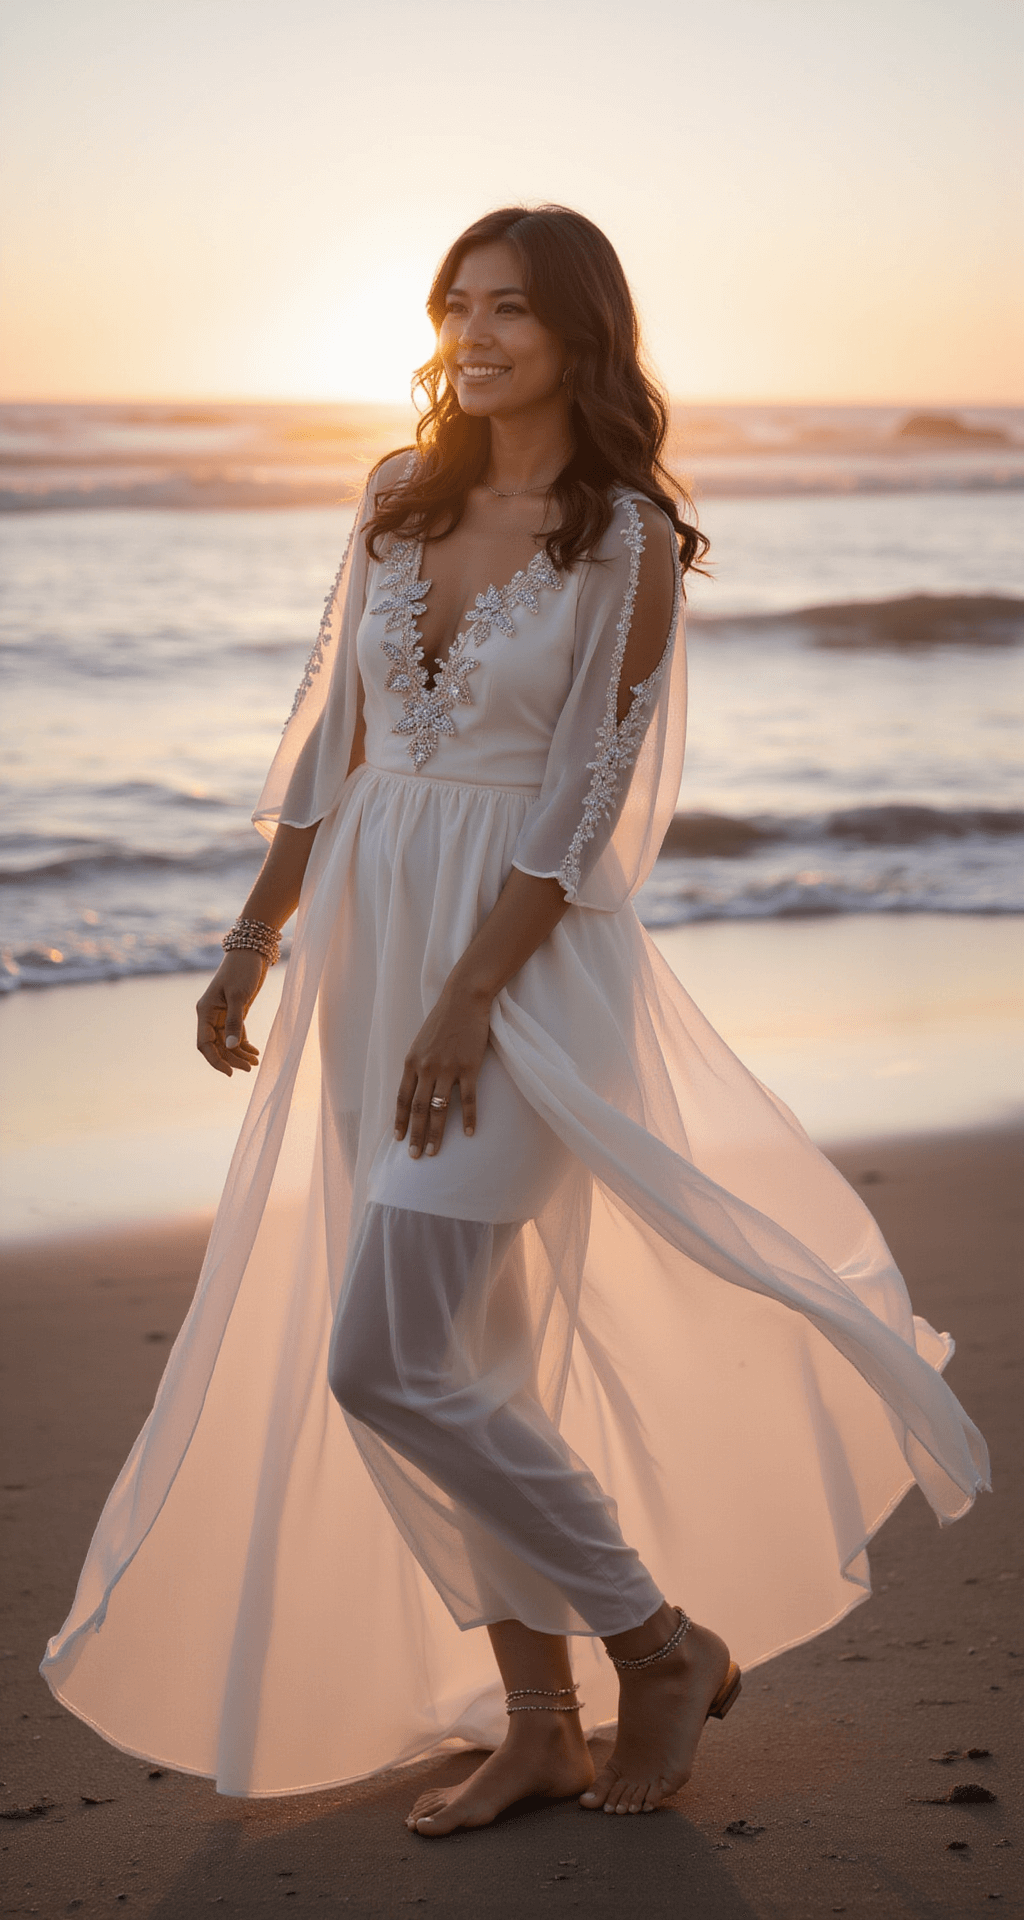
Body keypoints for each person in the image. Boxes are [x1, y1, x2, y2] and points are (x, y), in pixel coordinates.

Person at [42, 206, 989, 1835]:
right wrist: (251, 942)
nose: (475, 334)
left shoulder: (627, 539)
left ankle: (657, 1642)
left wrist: (474, 996)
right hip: (369, 947)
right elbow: (328, 750)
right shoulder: (391, 501)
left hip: (523, 971)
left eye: (511, 310)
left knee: (384, 1358)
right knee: (457, 1352)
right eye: (455, 305)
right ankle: (541, 1719)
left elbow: (580, 806)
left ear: (579, 335)